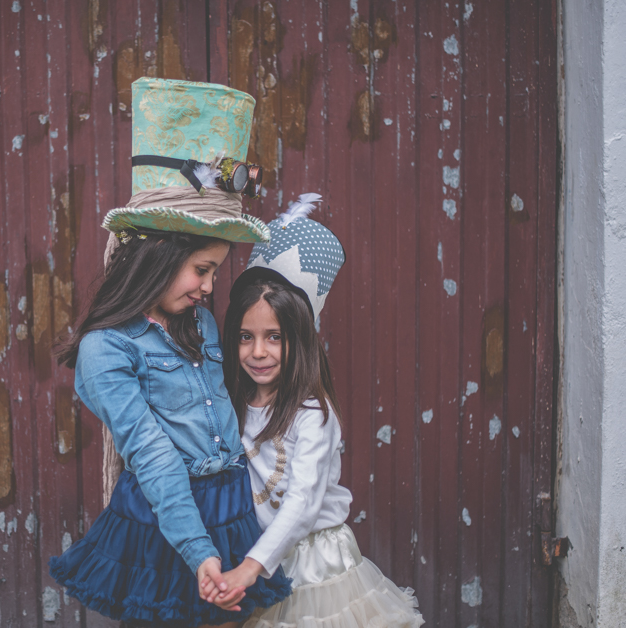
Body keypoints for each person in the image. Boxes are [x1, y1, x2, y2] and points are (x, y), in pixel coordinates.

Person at [48, 77, 292, 627]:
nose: (209, 286)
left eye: (215, 272)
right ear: (157, 254)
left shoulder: (196, 322)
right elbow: (153, 454)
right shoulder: (106, 349)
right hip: (167, 521)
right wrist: (199, 552)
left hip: (229, 508)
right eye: (202, 269)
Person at [203, 196, 424, 627]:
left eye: (275, 337)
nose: (258, 351)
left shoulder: (312, 415)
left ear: (300, 339)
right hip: (259, 554)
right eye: (246, 336)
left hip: (314, 564)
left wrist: (250, 568)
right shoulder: (233, 403)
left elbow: (303, 501)